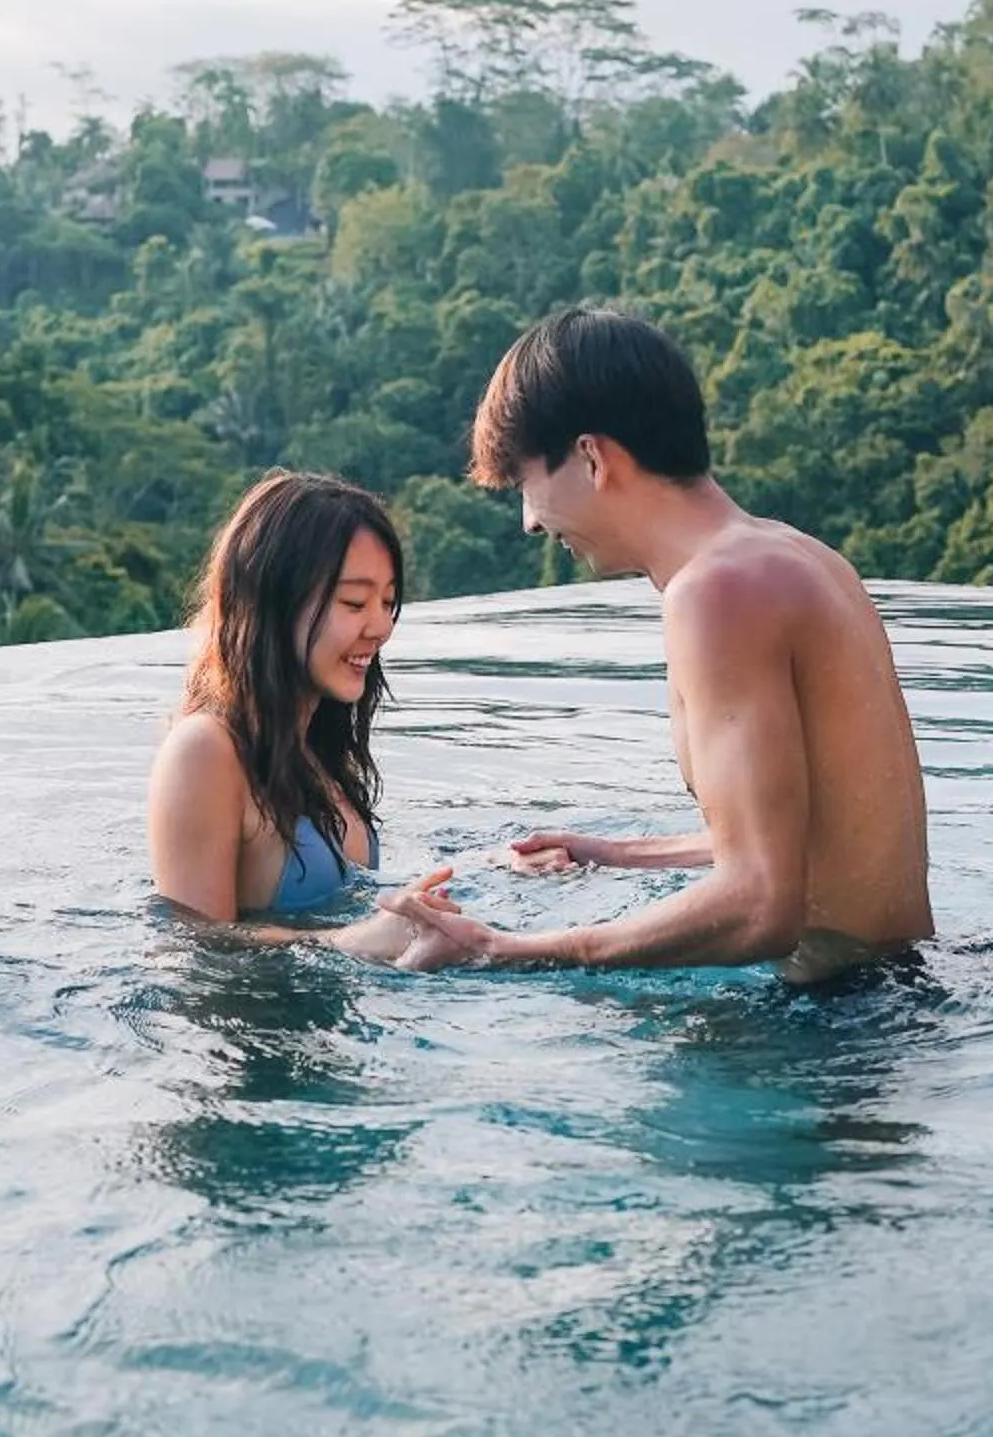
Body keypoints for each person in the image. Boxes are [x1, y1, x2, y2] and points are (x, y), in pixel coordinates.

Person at [383, 307, 934, 981]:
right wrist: (612, 854)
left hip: (843, 1030)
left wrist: (509, 949)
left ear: (591, 457)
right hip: (907, 989)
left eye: (528, 482)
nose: (530, 520)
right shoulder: (797, 555)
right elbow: (806, 837)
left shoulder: (717, 593)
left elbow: (764, 903)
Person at [146, 469, 461, 965]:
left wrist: (490, 867)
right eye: (354, 602)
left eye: (388, 601)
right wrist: (346, 943)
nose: (380, 627)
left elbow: (351, 899)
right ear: (275, 599)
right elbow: (191, 943)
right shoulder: (204, 751)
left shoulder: (316, 749)